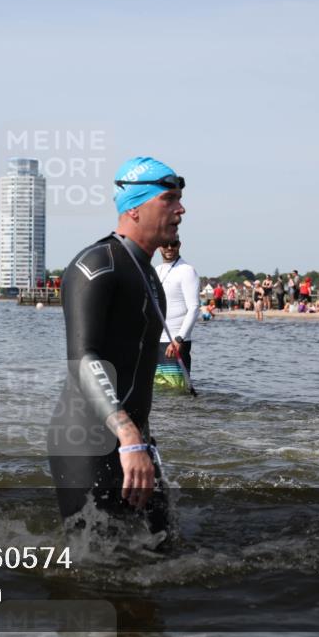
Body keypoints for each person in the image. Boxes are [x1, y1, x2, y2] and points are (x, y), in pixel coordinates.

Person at [48, 156, 184, 540]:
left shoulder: (148, 275)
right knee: (98, 574)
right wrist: (127, 435)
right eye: (169, 199)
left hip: (132, 441)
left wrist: (139, 438)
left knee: (163, 548)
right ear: (135, 208)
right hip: (87, 441)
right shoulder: (97, 265)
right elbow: (83, 358)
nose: (181, 209)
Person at [154, 239, 200, 391]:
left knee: (175, 393)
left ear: (179, 245)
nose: (169, 247)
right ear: (158, 246)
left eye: (173, 244)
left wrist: (179, 338)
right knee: (158, 392)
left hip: (175, 343)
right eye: (165, 244)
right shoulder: (157, 270)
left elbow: (194, 308)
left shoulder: (186, 270)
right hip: (155, 342)